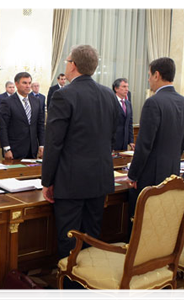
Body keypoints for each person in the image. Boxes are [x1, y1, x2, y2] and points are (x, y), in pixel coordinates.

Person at [41, 45, 118, 300]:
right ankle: (86, 291)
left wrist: (47, 181)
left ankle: (71, 294)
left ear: (73, 65)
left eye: (67, 61)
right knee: (91, 238)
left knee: (69, 241)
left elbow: (54, 143)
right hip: (99, 179)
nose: (65, 64)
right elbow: (111, 136)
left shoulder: (64, 95)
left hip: (71, 182)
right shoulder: (108, 95)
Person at [125, 57, 184, 231]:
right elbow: (183, 140)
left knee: (142, 223)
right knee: (163, 224)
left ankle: (134, 256)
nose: (148, 80)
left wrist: (132, 175)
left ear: (157, 75)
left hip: (150, 176)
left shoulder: (153, 102)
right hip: (173, 171)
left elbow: (145, 145)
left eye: (149, 75)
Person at [0, 72, 45, 160]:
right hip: (14, 150)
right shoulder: (7, 102)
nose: (28, 86)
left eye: (29, 83)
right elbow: (2, 126)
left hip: (33, 149)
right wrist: (6, 148)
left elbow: (40, 124)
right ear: (16, 84)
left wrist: (42, 144)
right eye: (24, 83)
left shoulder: (36, 101)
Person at [112, 78, 135, 151]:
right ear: (116, 88)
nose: (127, 89)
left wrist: (131, 140)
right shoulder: (111, 102)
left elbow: (129, 123)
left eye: (127, 87)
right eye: (124, 87)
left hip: (124, 141)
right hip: (113, 141)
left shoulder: (128, 104)